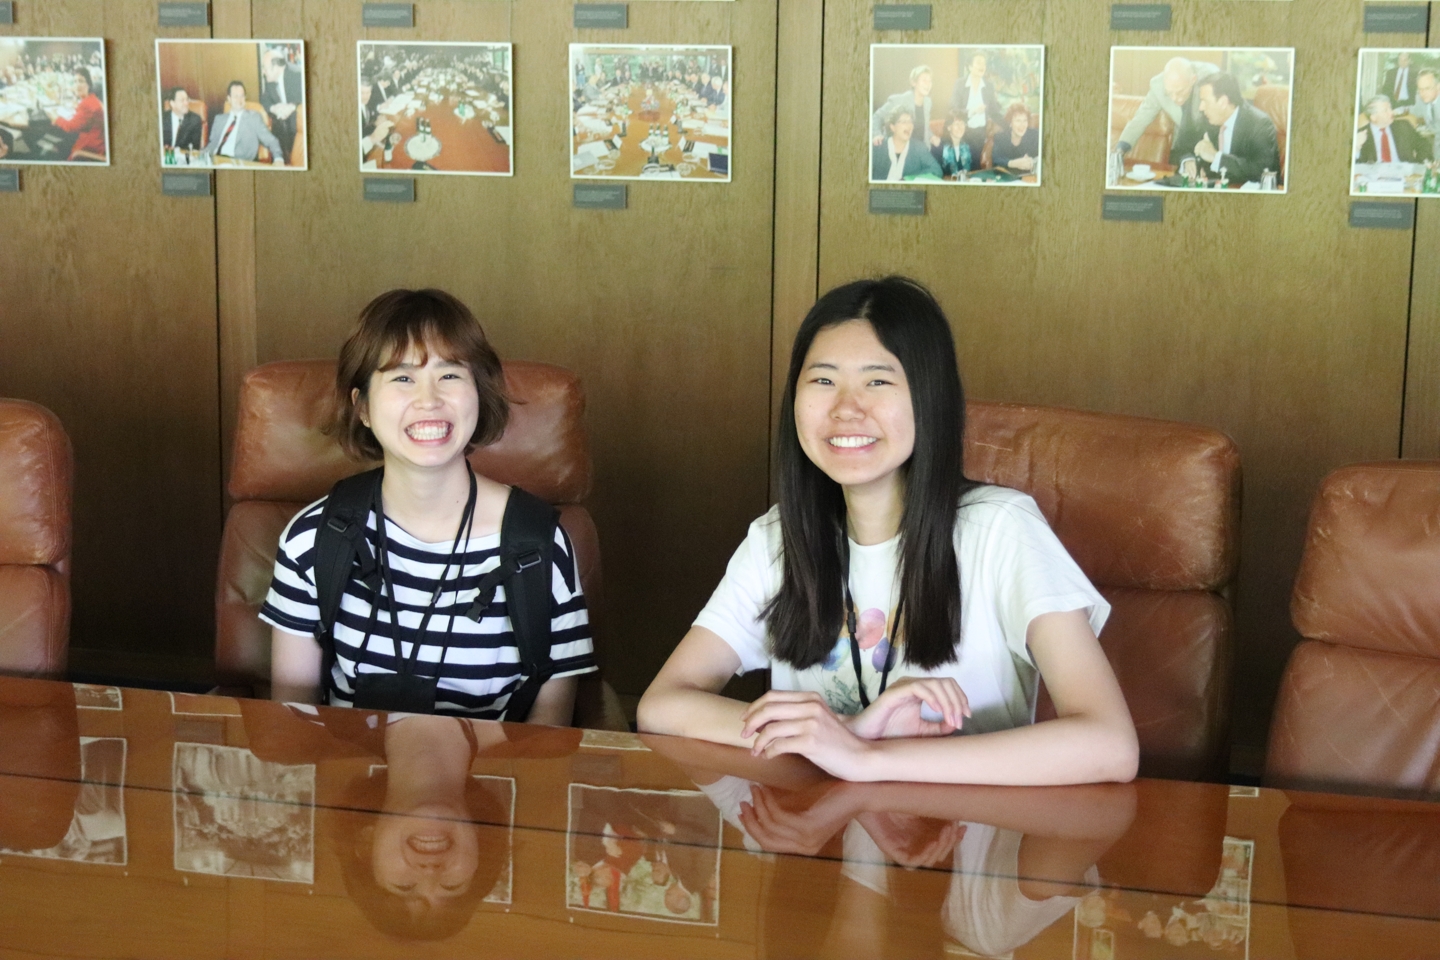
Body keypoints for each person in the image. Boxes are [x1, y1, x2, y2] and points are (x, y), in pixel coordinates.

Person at [637, 277, 1139, 785]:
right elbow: (662, 704)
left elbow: (1109, 744)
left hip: (964, 843)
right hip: (815, 843)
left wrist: (863, 757)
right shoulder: (778, 539)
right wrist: (845, 730)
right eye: (823, 380)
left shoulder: (1001, 531)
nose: (846, 408)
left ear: (928, 399)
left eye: (878, 381)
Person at [261, 288, 597, 721]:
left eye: (450, 375)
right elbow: (295, 719)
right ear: (361, 406)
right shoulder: (315, 537)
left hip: (489, 782)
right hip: (351, 780)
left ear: (479, 393)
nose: (429, 400)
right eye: (402, 378)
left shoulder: (537, 545)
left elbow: (548, 735)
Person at [1115, 57, 1219, 160]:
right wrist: (1120, 150)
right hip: (1184, 146)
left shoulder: (1210, 78)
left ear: (1193, 80)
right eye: (1169, 93)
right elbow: (1140, 118)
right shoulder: (1158, 86)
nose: (1174, 98)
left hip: (1213, 140)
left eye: (1180, 92)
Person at [1191, 72, 1280, 185]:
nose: (1201, 107)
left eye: (1205, 101)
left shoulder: (1260, 124)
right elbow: (1187, 146)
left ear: (1223, 102)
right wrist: (1191, 161)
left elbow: (1261, 171)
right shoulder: (1208, 118)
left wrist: (1216, 157)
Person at [203, 80, 285, 165]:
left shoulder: (254, 118)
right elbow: (212, 144)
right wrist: (199, 157)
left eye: (242, 96)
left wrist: (278, 158)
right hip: (216, 161)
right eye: (236, 96)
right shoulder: (219, 119)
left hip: (238, 164)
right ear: (229, 99)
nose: (239, 100)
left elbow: (271, 141)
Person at [948, 53, 1002, 162]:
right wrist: (973, 111)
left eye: (984, 63)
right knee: (962, 166)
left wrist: (1008, 124)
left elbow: (994, 111)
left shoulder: (988, 86)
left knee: (976, 167)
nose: (982, 66)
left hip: (980, 134)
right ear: (969, 66)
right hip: (962, 132)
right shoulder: (960, 84)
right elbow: (953, 109)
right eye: (978, 62)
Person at [871, 65, 940, 150]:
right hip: (900, 150)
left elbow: (923, 127)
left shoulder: (928, 102)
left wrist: (932, 136)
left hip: (921, 150)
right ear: (913, 82)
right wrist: (876, 134)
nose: (928, 84)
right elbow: (876, 117)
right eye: (924, 80)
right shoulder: (899, 100)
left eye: (930, 81)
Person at [870, 104, 942, 182]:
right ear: (892, 127)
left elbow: (937, 170)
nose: (909, 125)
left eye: (910, 122)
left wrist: (909, 179)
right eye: (904, 122)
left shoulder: (919, 148)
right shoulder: (878, 146)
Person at [1355, 93, 1433, 164]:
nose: (1391, 112)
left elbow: (1424, 145)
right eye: (1386, 110)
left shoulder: (1403, 126)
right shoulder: (1361, 135)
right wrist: (1357, 148)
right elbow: (1356, 164)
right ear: (1373, 117)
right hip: (1374, 176)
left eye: (1390, 108)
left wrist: (1418, 163)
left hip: (1404, 173)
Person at [49, 67, 105, 162]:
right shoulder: (92, 99)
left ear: (89, 84)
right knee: (58, 141)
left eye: (81, 81)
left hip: (87, 150)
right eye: (75, 81)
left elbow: (71, 127)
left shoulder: (87, 104)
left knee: (51, 148)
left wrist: (56, 117)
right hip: (96, 143)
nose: (77, 85)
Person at [259, 48, 304, 165]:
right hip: (282, 131)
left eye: (265, 68)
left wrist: (292, 107)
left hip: (300, 129)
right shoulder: (270, 78)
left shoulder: (298, 75)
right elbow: (264, 98)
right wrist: (273, 108)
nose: (263, 71)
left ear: (277, 68)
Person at [989, 102, 1039, 172]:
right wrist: (1013, 163)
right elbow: (996, 159)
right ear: (1010, 123)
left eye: (1025, 120)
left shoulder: (1035, 135)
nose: (1022, 125)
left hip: (1028, 177)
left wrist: (1032, 161)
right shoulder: (1000, 137)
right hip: (1007, 177)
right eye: (1018, 121)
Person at [161, 87, 203, 154]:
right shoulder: (162, 118)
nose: (186, 103)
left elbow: (195, 148)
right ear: (172, 103)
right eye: (182, 100)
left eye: (187, 99)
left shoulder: (194, 120)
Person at [930, 112, 972, 178]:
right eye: (956, 124)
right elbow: (935, 172)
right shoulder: (938, 146)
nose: (960, 127)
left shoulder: (970, 145)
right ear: (949, 127)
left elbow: (976, 169)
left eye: (962, 124)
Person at [1406, 69, 1439, 134]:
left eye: (1427, 88)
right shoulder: (1422, 100)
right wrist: (1393, 112)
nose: (1423, 93)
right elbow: (1413, 109)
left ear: (1438, 87)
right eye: (1420, 89)